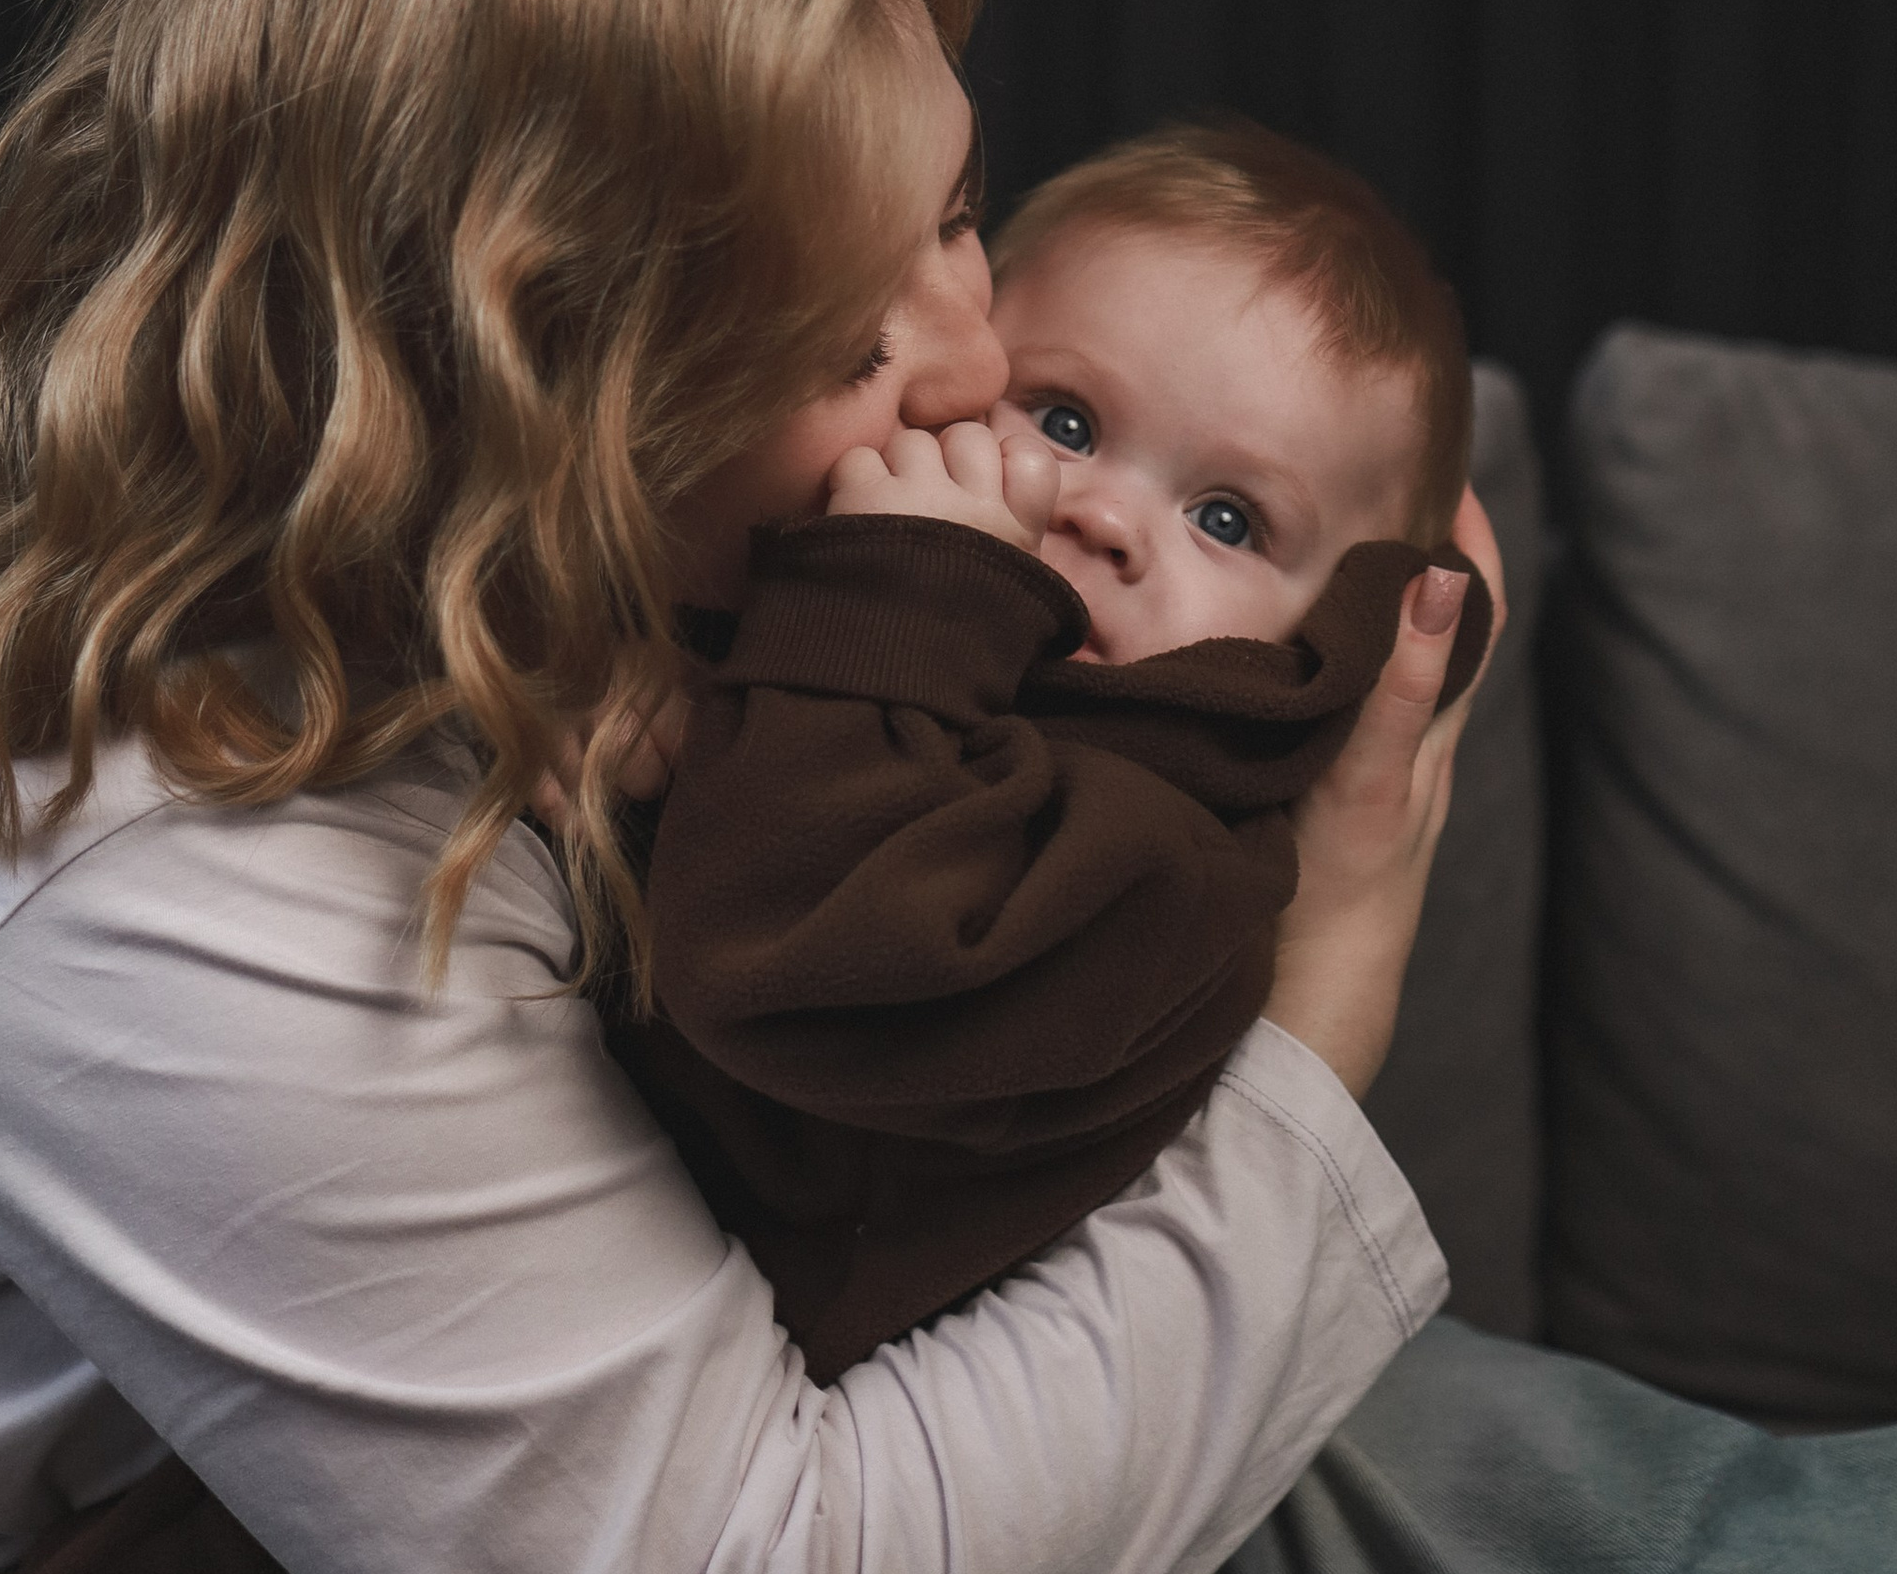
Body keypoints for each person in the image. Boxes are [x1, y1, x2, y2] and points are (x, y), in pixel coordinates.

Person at [0, 0, 1491, 1574]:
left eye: (956, 218)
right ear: (541, 404)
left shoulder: (367, 506)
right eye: (841, 351)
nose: (980, 374)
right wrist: (1327, 992)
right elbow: (779, 1554)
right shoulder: (158, 877)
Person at [615, 120, 1498, 1382]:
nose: (1103, 513)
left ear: (1329, 640)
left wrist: (893, 601)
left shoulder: (1173, 862)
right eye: (1067, 420)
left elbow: (813, 949)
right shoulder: (827, 600)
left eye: (1228, 518)